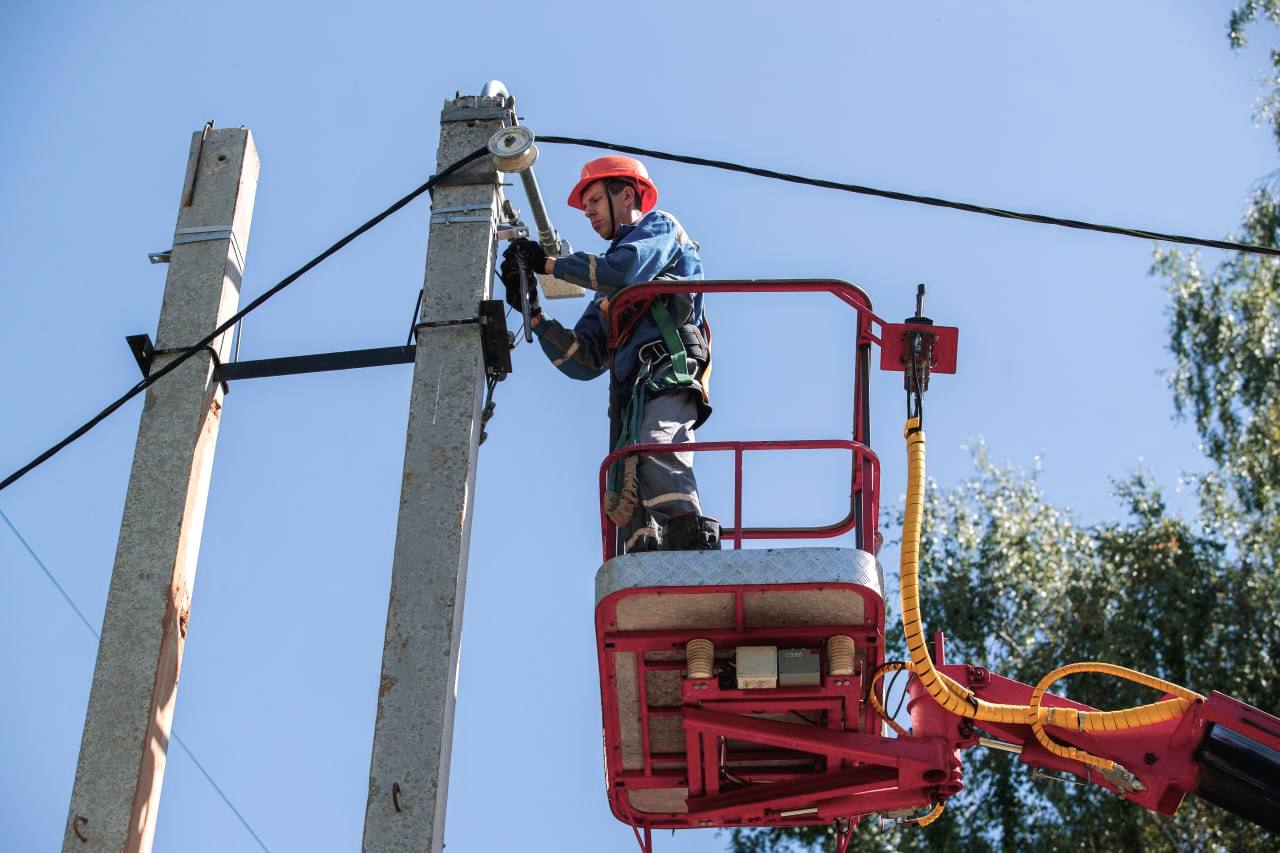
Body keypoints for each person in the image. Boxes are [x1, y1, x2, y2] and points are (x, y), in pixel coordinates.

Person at [500, 156, 719, 553]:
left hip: (666, 368)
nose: (589, 212)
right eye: (586, 208)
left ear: (627, 194)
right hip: (630, 394)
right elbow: (585, 360)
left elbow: (625, 269)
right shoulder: (607, 294)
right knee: (629, 486)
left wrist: (546, 263)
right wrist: (533, 315)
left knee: (656, 448)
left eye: (595, 201)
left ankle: (692, 546)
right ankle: (646, 560)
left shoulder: (660, 230)